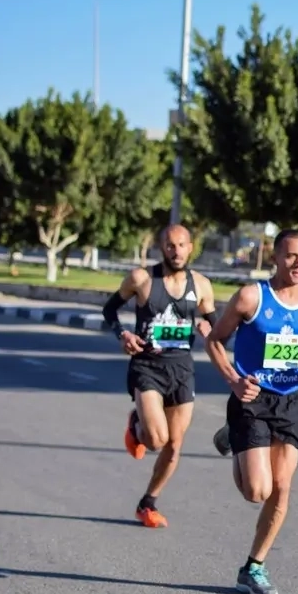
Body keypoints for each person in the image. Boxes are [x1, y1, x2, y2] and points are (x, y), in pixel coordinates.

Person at [203, 228, 298, 594]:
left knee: (281, 489)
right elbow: (214, 340)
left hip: (291, 402)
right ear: (276, 257)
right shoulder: (252, 298)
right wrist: (233, 380)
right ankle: (235, 434)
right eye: (291, 256)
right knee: (256, 491)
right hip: (251, 399)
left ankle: (254, 566)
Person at [102, 224, 217, 529]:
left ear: (190, 248)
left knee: (174, 445)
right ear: (161, 248)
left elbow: (213, 323)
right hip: (147, 365)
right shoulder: (142, 279)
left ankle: (148, 503)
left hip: (181, 368)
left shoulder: (202, 285)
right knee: (156, 439)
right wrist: (122, 333)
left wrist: (210, 330)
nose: (175, 251)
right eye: (169, 245)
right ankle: (137, 423)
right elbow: (110, 309)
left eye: (181, 245)